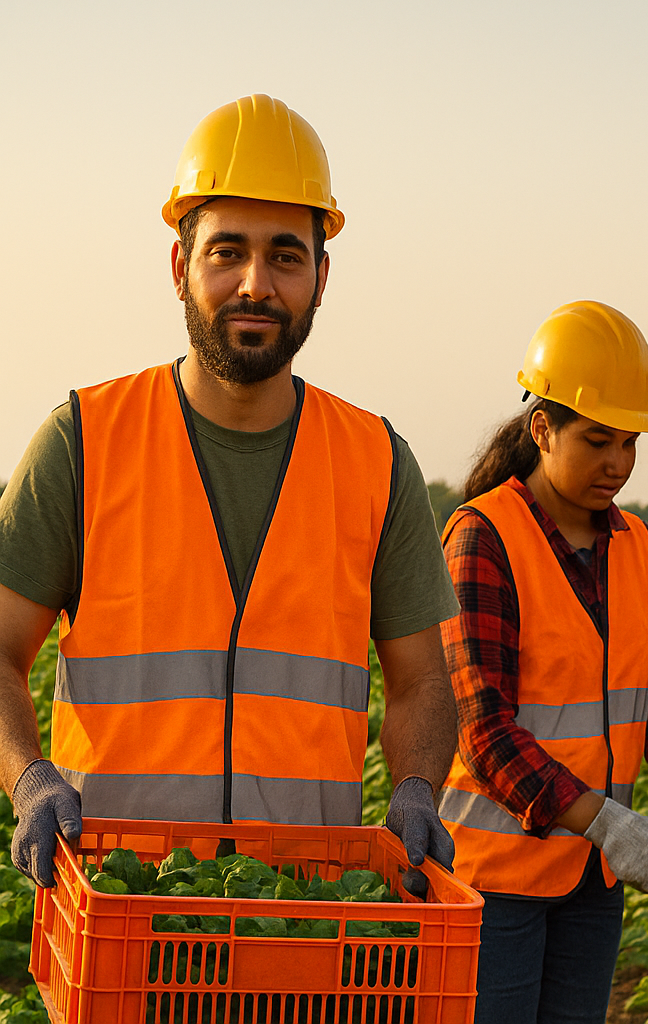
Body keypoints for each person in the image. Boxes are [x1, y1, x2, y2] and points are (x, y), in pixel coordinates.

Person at [0, 94, 459, 892]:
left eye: (286, 254)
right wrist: (27, 776)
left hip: (299, 911)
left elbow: (423, 680)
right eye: (226, 252)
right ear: (180, 267)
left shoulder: (377, 461)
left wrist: (418, 787)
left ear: (322, 274)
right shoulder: (82, 441)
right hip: (120, 903)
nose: (256, 283)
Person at [436, 299, 648, 1024]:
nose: (618, 463)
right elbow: (483, 730)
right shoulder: (482, 537)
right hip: (496, 880)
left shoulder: (640, 546)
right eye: (598, 440)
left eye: (630, 443)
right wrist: (604, 821)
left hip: (589, 882)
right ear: (542, 428)